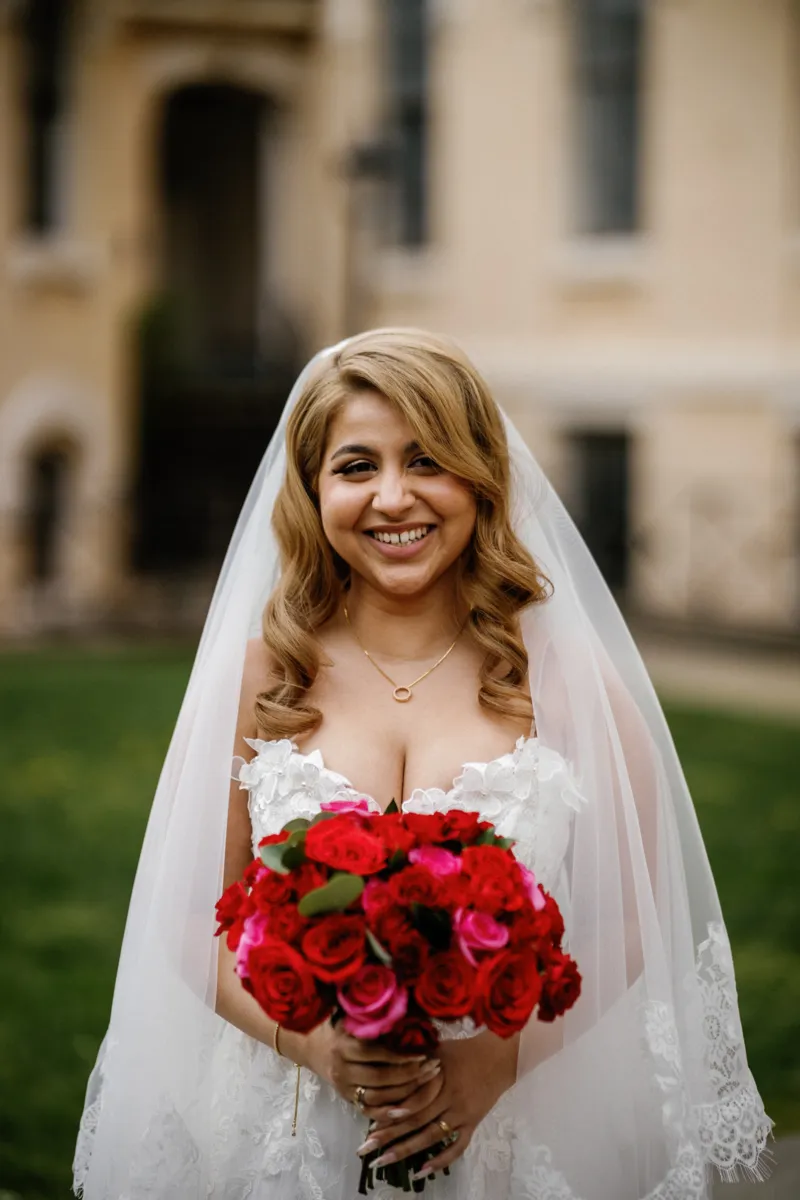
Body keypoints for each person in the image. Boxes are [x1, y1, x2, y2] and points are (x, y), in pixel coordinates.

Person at [74, 329, 771, 1200]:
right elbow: (191, 923)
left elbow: (631, 919)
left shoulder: (564, 677)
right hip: (285, 1125)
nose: (393, 497)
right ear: (313, 489)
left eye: (428, 461)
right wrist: (321, 1048)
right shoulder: (259, 675)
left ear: (479, 480)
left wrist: (493, 1064)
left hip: (512, 1126)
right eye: (356, 466)